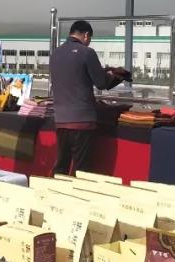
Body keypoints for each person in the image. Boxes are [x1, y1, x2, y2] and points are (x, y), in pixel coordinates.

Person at [49, 20, 128, 175]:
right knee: (81, 170)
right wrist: (117, 75)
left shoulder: (55, 54)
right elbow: (101, 83)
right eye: (90, 38)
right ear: (86, 35)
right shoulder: (87, 53)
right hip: (82, 121)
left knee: (61, 167)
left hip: (60, 120)